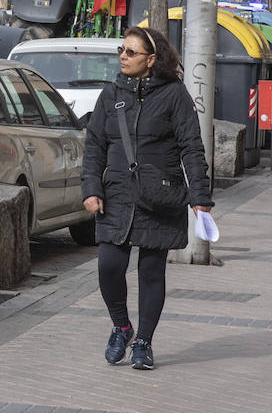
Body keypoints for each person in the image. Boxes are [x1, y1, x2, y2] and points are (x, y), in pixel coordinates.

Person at [81, 26, 213, 371]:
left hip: (160, 194)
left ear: (151, 60)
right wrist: (91, 188)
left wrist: (200, 196)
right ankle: (122, 327)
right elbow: (95, 144)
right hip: (117, 195)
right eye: (121, 50)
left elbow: (191, 147)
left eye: (131, 52)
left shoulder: (174, 95)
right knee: (109, 266)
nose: (123, 56)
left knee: (151, 272)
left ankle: (144, 342)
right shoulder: (111, 95)